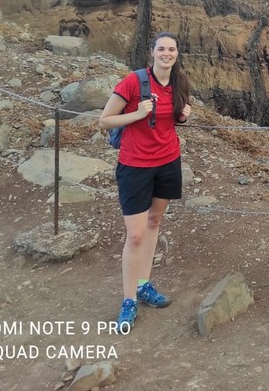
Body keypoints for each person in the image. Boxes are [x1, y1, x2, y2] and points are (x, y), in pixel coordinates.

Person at [99, 32, 192, 331]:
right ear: (152, 52)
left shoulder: (179, 82)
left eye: (172, 49)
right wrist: (137, 114)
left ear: (177, 54)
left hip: (168, 162)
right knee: (135, 235)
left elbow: (171, 118)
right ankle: (128, 300)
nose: (167, 53)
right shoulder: (133, 82)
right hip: (135, 165)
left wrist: (184, 117)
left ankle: (143, 285)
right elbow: (105, 120)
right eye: (161, 49)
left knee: (154, 223)